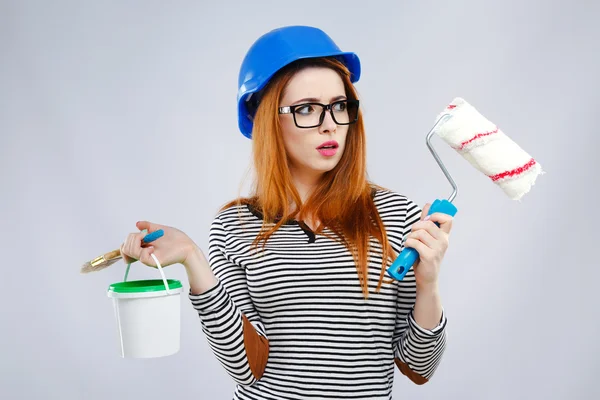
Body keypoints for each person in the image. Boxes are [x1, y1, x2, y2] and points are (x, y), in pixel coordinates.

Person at [120, 25, 454, 400]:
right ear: (268, 120)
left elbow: (419, 368)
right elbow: (246, 367)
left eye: (340, 105)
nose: (330, 123)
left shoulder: (397, 217)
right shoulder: (234, 226)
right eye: (306, 109)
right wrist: (193, 260)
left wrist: (428, 284)